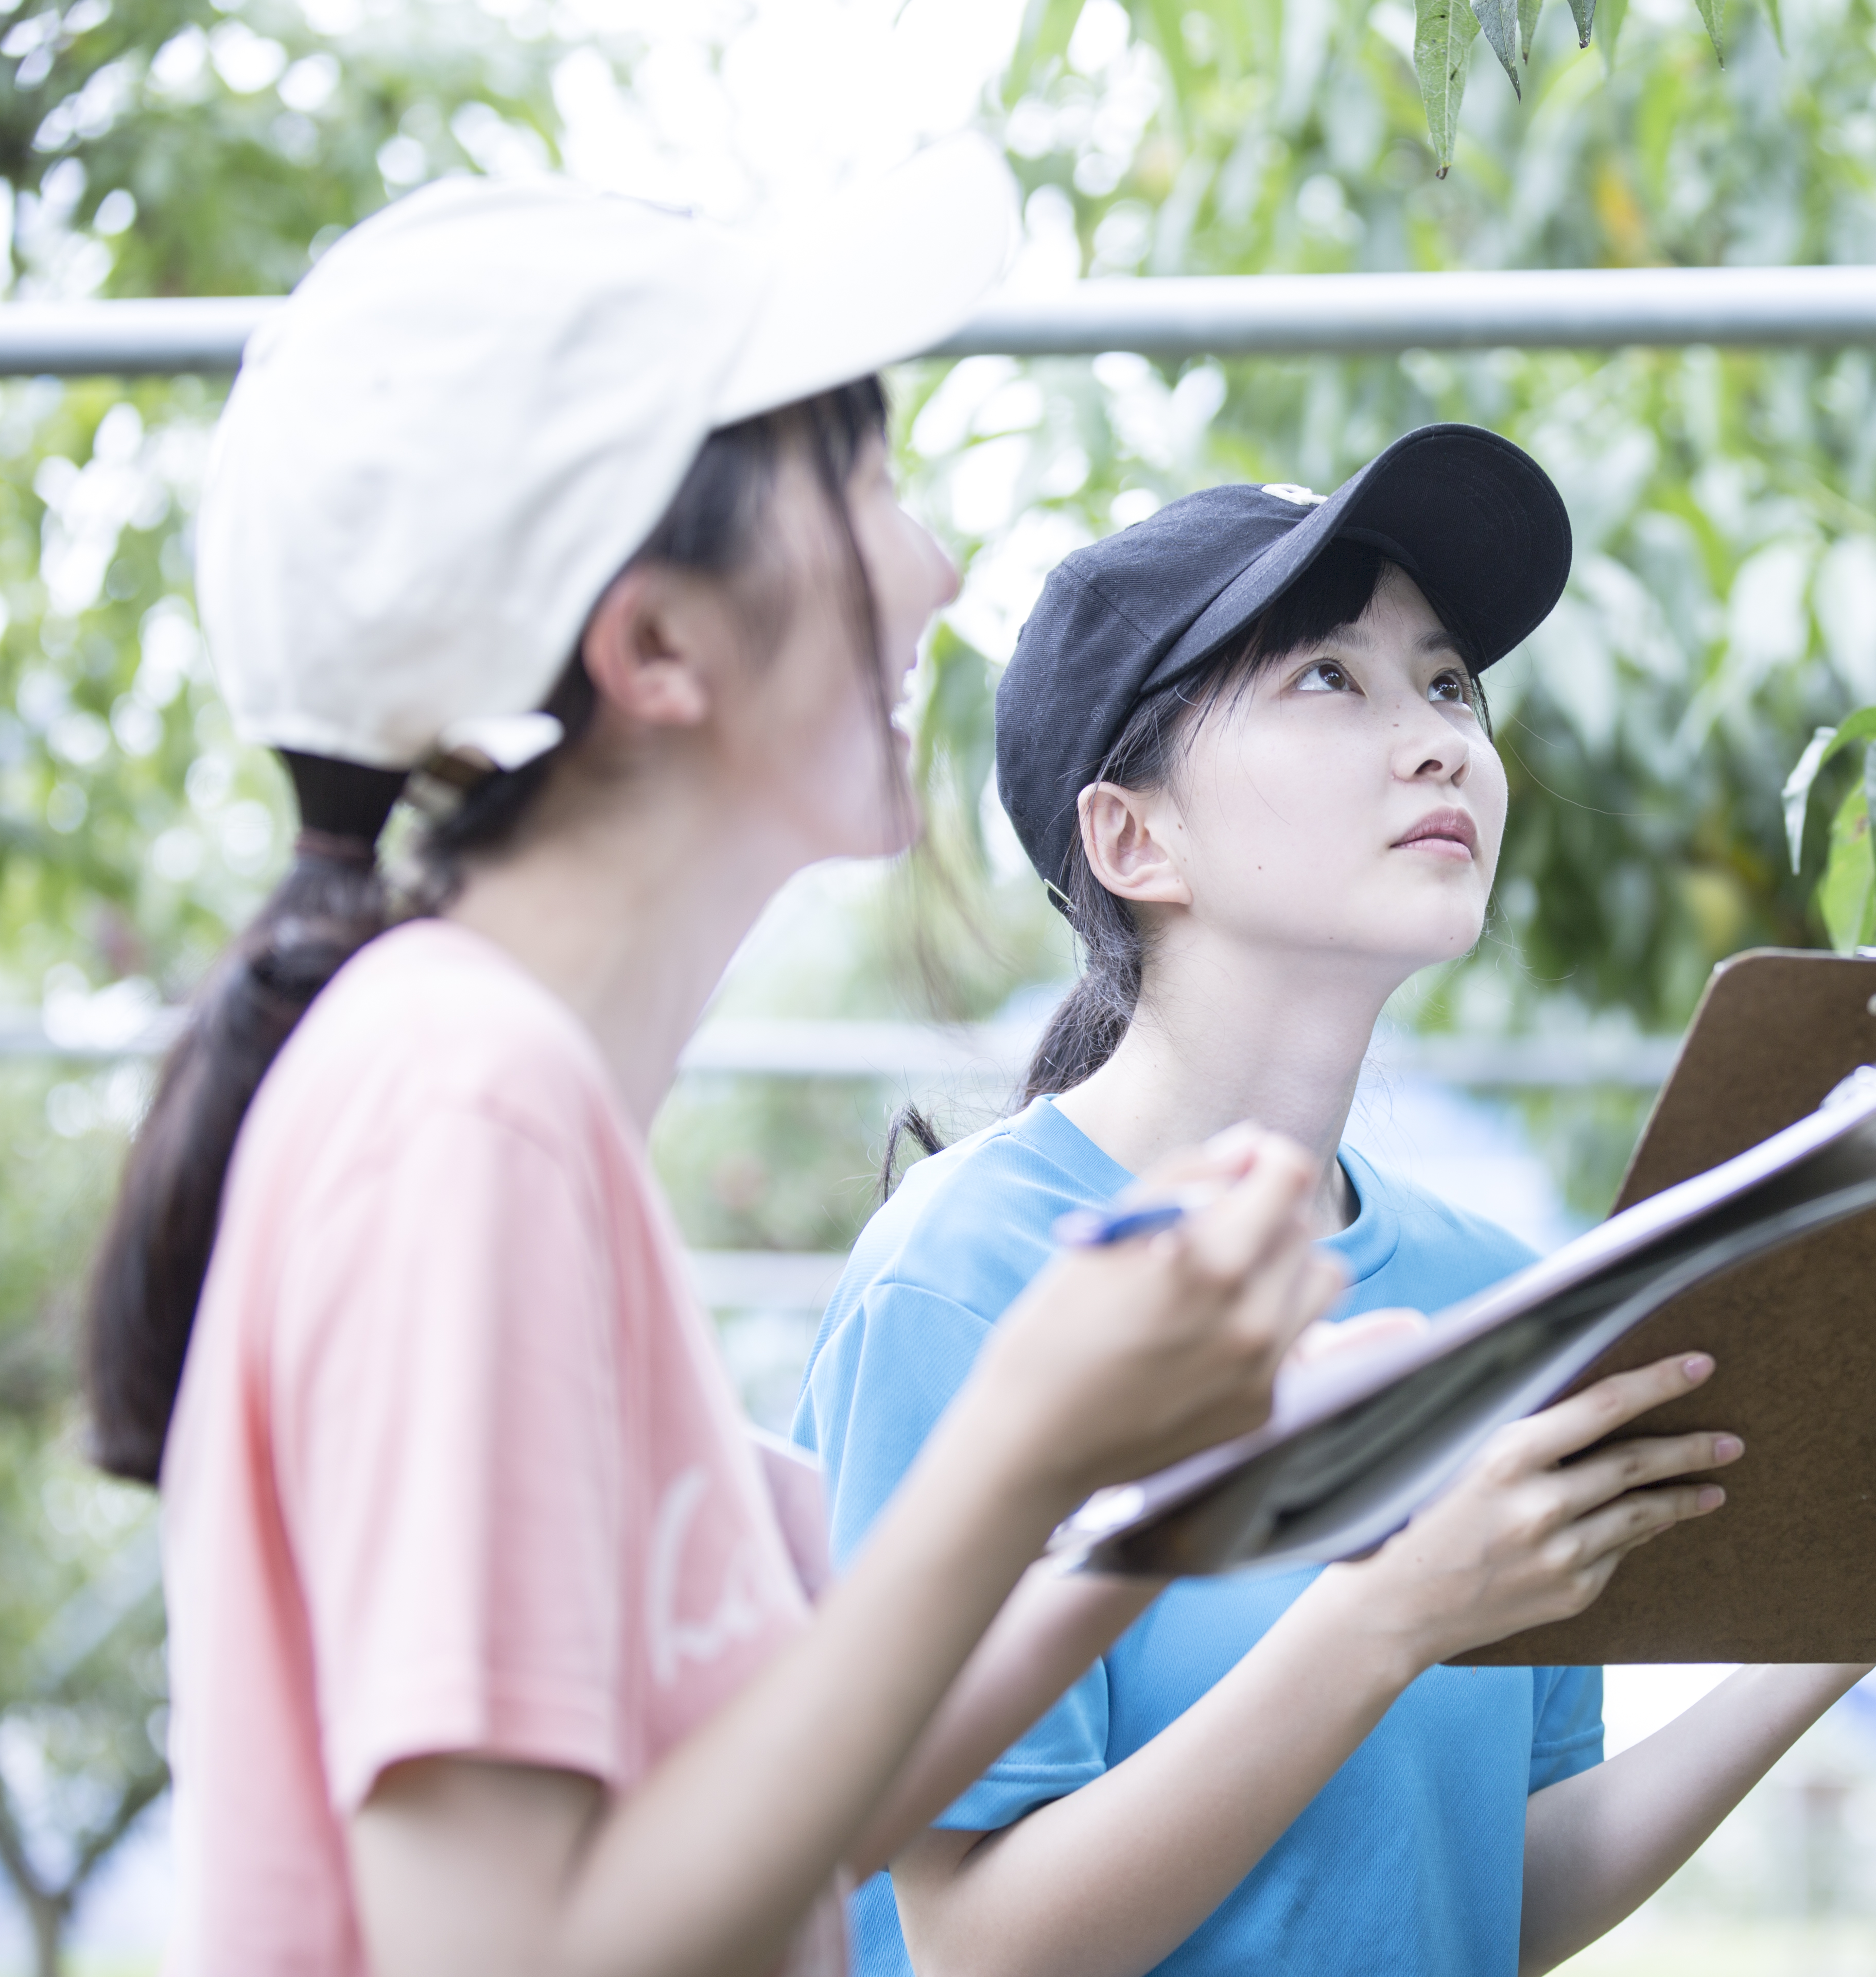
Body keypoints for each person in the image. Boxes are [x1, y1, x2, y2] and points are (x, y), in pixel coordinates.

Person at [88, 143, 1350, 1977]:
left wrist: (1194, 1489)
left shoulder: (508, 1104)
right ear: (657, 643)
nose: (931, 566)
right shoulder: (461, 1102)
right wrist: (1021, 1439)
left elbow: (817, 1779)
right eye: (862, 481)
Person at [793, 431, 1874, 1977]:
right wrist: (1387, 1621)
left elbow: (1495, 1885)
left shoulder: (1501, 1289)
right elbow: (983, 1949)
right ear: (1132, 836)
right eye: (1328, 680)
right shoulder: (965, 1281)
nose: (1438, 741)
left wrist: (1842, 1626)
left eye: (1447, 686)